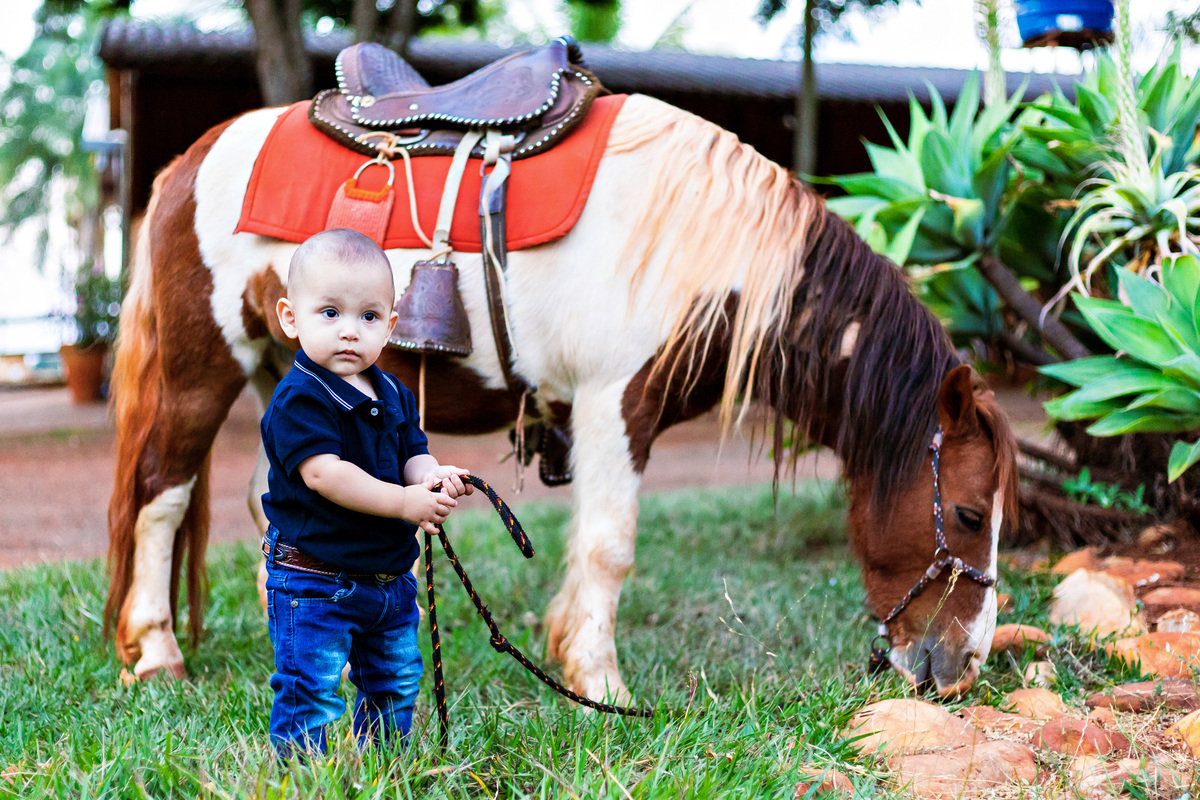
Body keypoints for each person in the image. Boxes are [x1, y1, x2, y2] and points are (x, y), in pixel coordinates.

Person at [259, 228, 472, 758]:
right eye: (329, 313)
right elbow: (324, 474)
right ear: (291, 318)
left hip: (388, 580)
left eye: (368, 316)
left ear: (391, 325)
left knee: (394, 684)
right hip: (313, 580)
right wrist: (404, 503)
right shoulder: (298, 400)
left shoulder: (394, 391)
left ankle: (383, 765)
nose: (350, 332)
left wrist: (429, 476)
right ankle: (304, 778)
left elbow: (412, 453)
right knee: (312, 691)